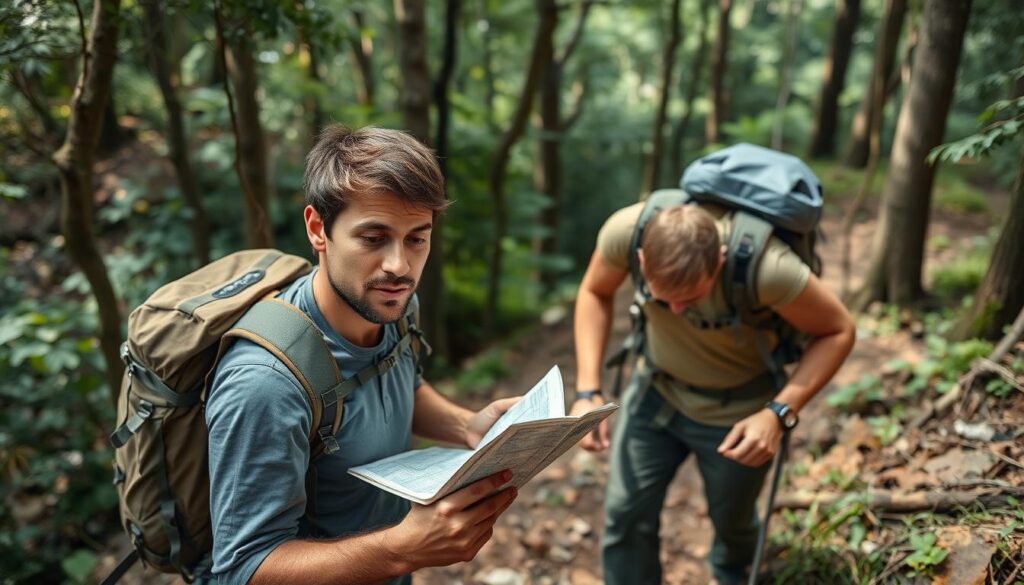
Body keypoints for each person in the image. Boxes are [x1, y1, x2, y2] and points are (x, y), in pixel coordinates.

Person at [205, 125, 519, 585]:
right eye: (374, 238)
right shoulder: (264, 383)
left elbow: (394, 380)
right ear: (318, 229)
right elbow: (242, 570)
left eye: (417, 238)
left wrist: (464, 425)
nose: (400, 266)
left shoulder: (393, 305)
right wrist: (400, 550)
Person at [569, 200, 855, 584]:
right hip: (654, 394)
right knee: (625, 515)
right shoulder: (625, 231)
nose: (675, 309)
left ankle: (733, 574)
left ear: (719, 262)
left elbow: (839, 331)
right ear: (640, 258)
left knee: (733, 525)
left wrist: (778, 413)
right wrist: (588, 389)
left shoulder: (768, 269)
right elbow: (594, 291)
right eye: (662, 297)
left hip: (739, 414)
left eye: (690, 299)